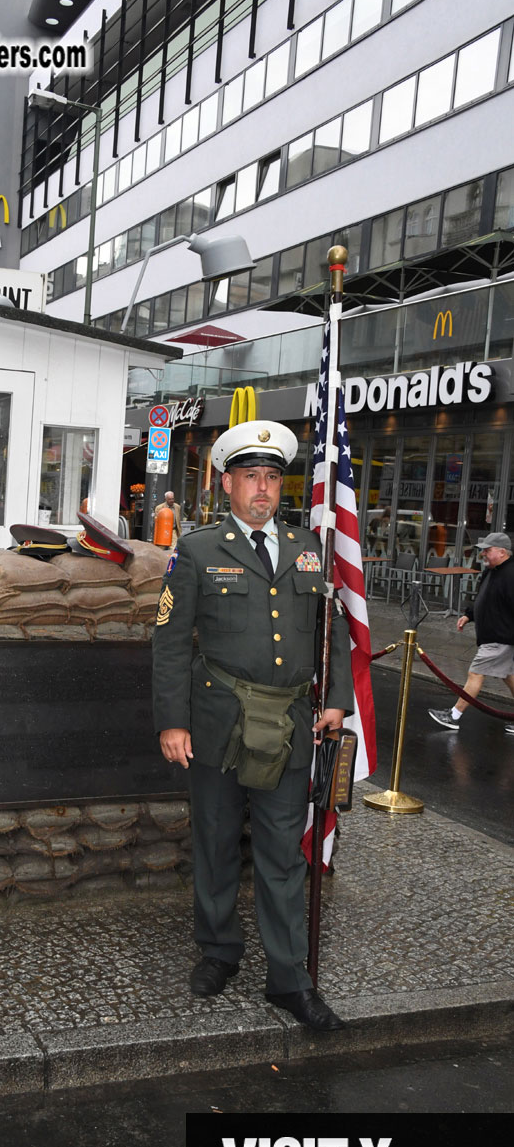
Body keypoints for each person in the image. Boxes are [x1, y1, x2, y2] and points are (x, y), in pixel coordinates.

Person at [151, 420, 353, 1031]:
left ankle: (289, 979)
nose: (262, 489)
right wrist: (172, 722)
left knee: (281, 856)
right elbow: (168, 643)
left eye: (271, 477)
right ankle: (219, 951)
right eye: (250, 477)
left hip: (290, 726)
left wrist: (336, 700)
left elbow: (331, 631)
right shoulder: (199, 550)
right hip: (214, 723)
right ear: (227, 484)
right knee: (214, 844)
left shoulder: (307, 549)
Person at [428, 532, 514, 736]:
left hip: (500, 637)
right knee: (509, 677)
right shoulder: (491, 571)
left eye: (487, 550)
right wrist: (469, 615)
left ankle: (454, 716)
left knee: (475, 673)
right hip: (495, 636)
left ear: (502, 552)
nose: (483, 553)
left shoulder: (511, 575)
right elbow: (483, 598)